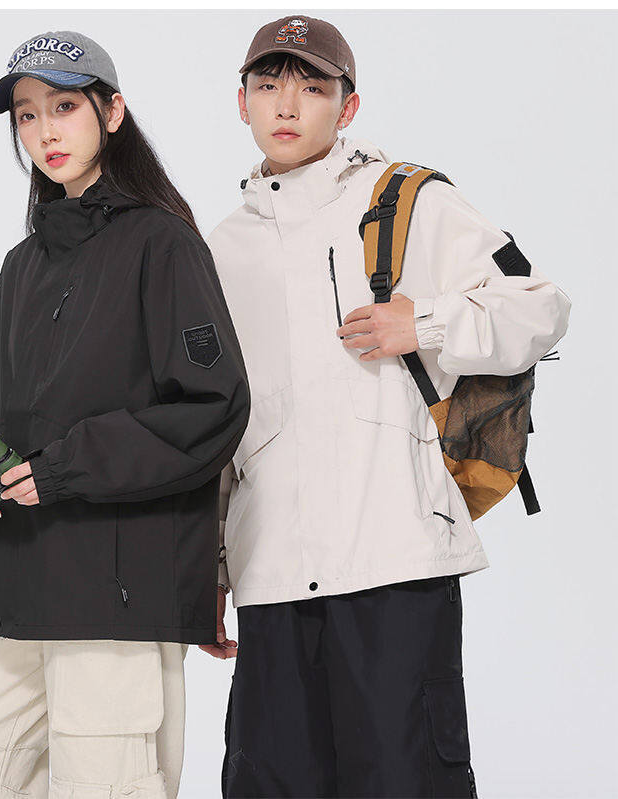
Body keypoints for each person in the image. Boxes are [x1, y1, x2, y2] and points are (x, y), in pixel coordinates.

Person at [200, 14, 571, 799]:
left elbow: (540, 307)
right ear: (241, 102)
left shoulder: (407, 199)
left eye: (312, 87)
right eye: (268, 85)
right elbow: (220, 421)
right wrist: (213, 571)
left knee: (406, 782)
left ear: (349, 107)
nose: (286, 105)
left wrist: (424, 323)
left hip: (394, 563)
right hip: (271, 573)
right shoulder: (221, 248)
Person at [0, 30, 249, 799]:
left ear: (112, 112)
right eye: (27, 116)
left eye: (63, 107)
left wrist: (63, 468)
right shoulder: (23, 265)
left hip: (115, 600)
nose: (44, 132)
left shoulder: (163, 245)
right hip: (11, 591)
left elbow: (213, 406)